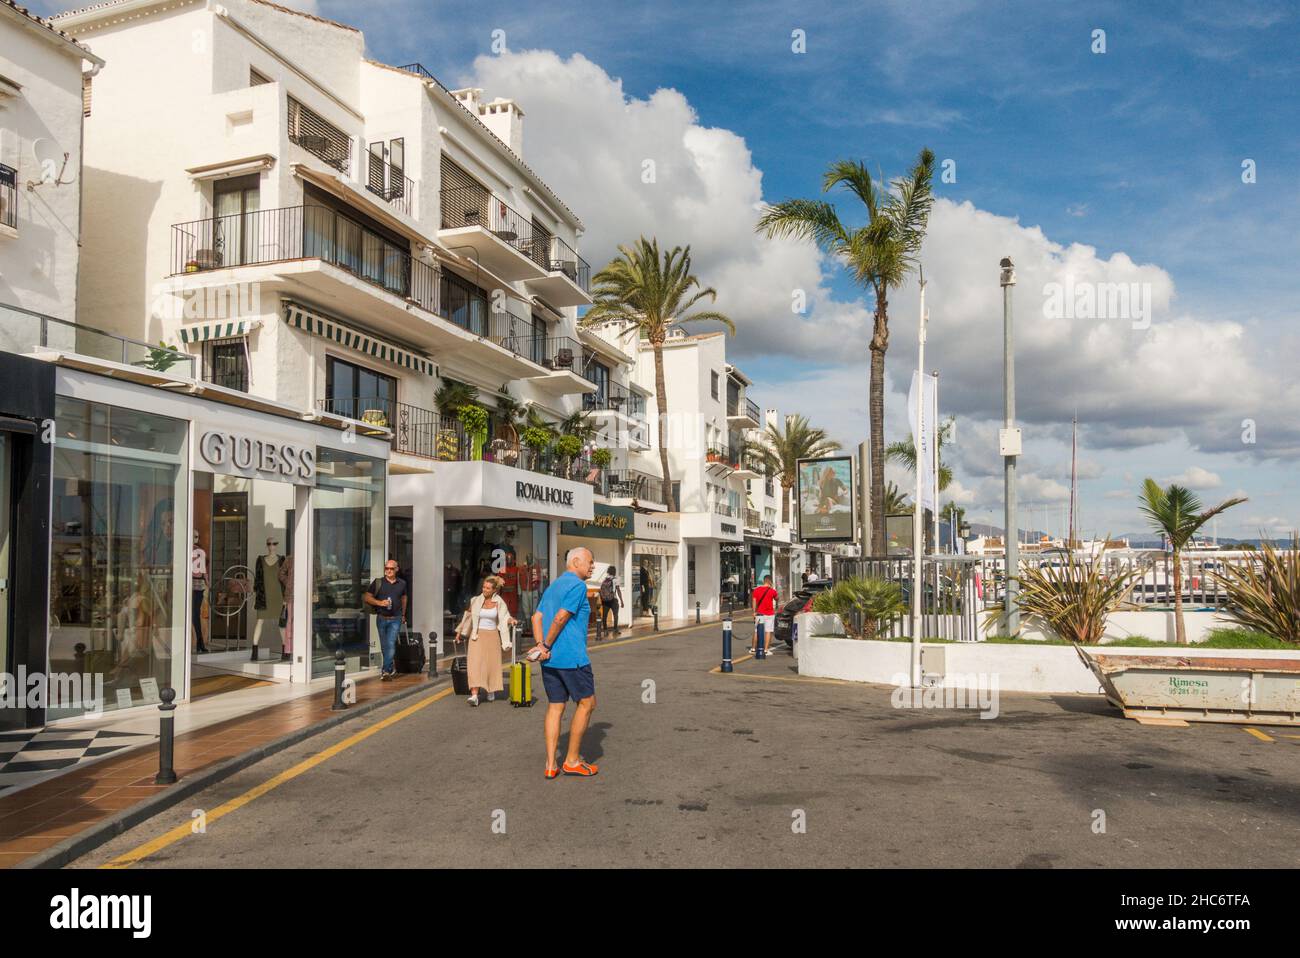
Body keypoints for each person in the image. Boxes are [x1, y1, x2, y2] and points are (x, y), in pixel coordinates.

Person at [531, 547, 598, 778]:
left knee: (555, 706)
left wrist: (540, 646)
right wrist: (546, 645)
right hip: (572, 658)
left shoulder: (553, 586)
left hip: (550, 661)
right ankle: (571, 761)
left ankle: (551, 765)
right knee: (587, 703)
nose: (592, 566)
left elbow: (536, 617)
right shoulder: (577, 586)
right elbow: (561, 617)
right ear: (576, 562)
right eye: (590, 561)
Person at [454, 574, 517, 706]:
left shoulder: (499, 602)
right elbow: (468, 617)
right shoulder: (475, 600)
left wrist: (511, 620)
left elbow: (505, 617)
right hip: (476, 636)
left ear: (494, 590)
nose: (485, 590)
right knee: (475, 664)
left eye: (488, 588)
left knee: (491, 664)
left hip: (492, 636)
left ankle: (490, 689)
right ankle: (474, 695)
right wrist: (459, 632)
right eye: (483, 587)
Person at [363, 560, 408, 680]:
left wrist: (403, 614)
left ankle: (386, 671)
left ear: (396, 569)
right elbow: (367, 597)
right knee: (384, 646)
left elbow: (404, 598)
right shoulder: (378, 582)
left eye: (391, 569)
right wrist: (379, 603)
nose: (388, 570)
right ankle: (390, 667)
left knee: (391, 644)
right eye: (386, 568)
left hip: (395, 619)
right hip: (381, 618)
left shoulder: (402, 583)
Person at [751, 574, 779, 655]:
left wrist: (754, 612)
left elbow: (754, 601)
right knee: (768, 631)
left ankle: (753, 649)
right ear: (770, 581)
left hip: (759, 614)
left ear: (764, 580)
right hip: (769, 614)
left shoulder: (756, 590)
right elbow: (777, 598)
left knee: (756, 631)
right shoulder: (772, 591)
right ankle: (766, 650)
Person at [598, 570, 622, 636]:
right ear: (614, 572)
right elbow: (618, 590)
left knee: (604, 616)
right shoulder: (615, 579)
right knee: (615, 615)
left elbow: (601, 590)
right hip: (613, 599)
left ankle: (605, 630)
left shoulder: (605, 579)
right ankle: (615, 630)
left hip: (605, 600)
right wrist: (621, 600)